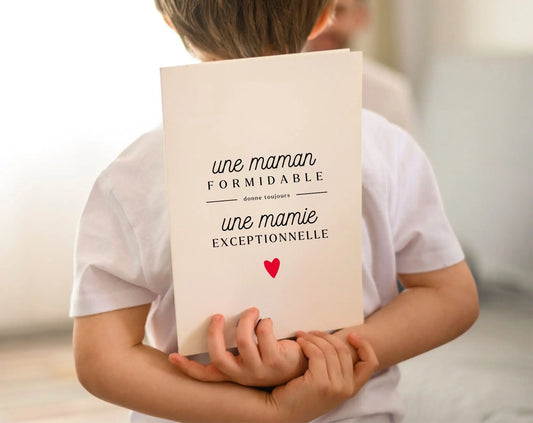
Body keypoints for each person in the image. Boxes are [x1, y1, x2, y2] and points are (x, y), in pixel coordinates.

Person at [70, 1, 479, 422]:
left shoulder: (130, 177)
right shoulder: (386, 148)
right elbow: (451, 295)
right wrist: (326, 359)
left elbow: (102, 359)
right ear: (325, 14)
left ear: (168, 18)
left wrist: (266, 411)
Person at [305, 0, 416, 133]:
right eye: (316, 13)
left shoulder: (389, 95)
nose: (324, 26)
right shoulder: (284, 84)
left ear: (361, 17)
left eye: (337, 12)